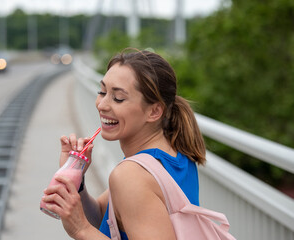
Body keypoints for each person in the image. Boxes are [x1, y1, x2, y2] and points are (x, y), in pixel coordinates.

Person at [42, 49, 206, 239]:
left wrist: (81, 230)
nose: (102, 104)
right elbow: (104, 217)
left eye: (118, 98)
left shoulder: (132, 174)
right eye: (102, 91)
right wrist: (77, 177)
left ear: (154, 112)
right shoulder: (178, 153)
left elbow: (96, 225)